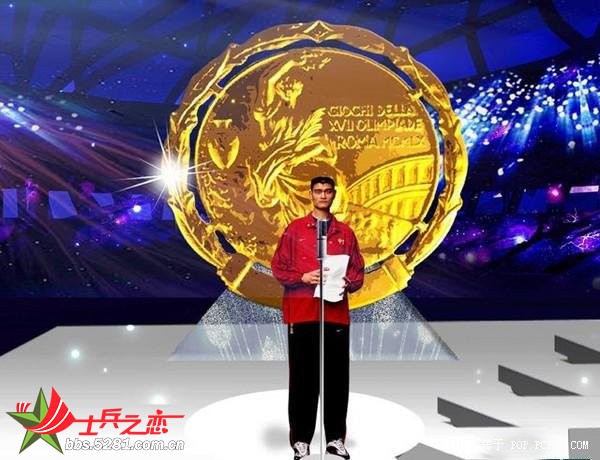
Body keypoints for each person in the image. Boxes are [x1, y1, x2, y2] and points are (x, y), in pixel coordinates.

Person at [271, 176, 365, 460]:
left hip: (335, 315)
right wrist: (302, 277)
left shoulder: (345, 232)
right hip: (302, 312)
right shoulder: (295, 230)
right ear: (310, 194)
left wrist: (348, 281)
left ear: (334, 195)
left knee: (336, 380)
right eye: (318, 191)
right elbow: (278, 268)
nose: (323, 196)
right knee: (303, 380)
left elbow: (358, 271)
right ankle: (301, 440)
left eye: (327, 191)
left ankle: (335, 439)